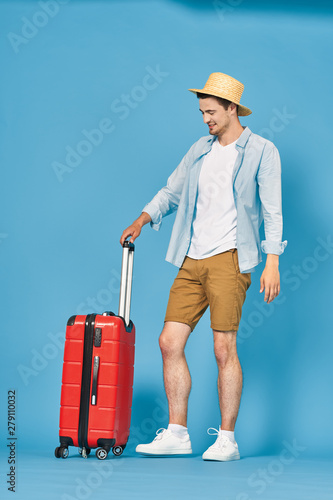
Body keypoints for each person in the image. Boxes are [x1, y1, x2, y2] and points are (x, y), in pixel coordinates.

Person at [120, 72, 287, 462]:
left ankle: (227, 439)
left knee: (222, 348)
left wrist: (272, 260)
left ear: (232, 109)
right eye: (201, 112)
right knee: (168, 342)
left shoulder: (262, 151)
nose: (205, 119)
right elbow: (171, 192)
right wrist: (142, 219)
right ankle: (178, 432)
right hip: (191, 259)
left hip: (230, 259)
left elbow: (274, 209)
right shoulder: (199, 149)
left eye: (211, 112)